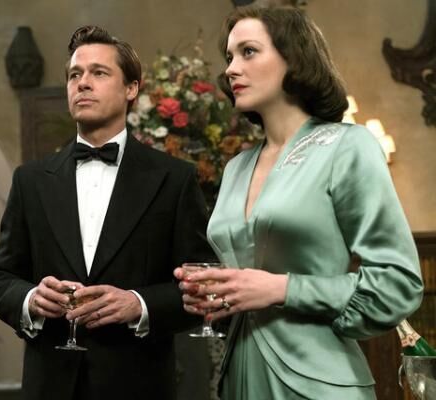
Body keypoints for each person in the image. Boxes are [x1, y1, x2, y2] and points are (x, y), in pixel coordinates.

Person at [174, 6, 424, 400]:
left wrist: (283, 289)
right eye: (229, 57)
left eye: (248, 52)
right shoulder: (237, 167)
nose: (231, 69)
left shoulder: (348, 146)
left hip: (317, 382)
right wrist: (218, 297)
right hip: (238, 376)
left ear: (294, 58)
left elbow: (398, 284)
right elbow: (242, 278)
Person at [0, 25, 214, 400]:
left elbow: (200, 285)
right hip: (50, 387)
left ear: (131, 88)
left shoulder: (174, 179)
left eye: (99, 73)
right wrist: (30, 299)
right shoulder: (30, 181)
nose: (83, 83)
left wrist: (138, 304)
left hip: (138, 387)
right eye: (75, 74)